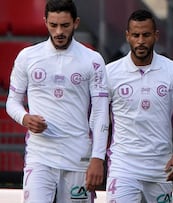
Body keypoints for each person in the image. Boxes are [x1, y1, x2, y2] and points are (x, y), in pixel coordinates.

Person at [6, 0, 109, 202]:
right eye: (53, 25)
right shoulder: (27, 57)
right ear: (45, 22)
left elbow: (100, 112)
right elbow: (12, 102)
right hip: (39, 156)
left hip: (78, 157)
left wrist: (98, 157)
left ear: (76, 23)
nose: (59, 31)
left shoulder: (93, 60)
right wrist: (25, 118)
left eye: (65, 25)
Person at [105, 9, 173, 202]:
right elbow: (97, 118)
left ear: (156, 35)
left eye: (146, 35)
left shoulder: (172, 71)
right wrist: (96, 157)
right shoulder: (110, 73)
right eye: (135, 35)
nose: (140, 41)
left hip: (161, 170)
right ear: (127, 36)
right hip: (123, 168)